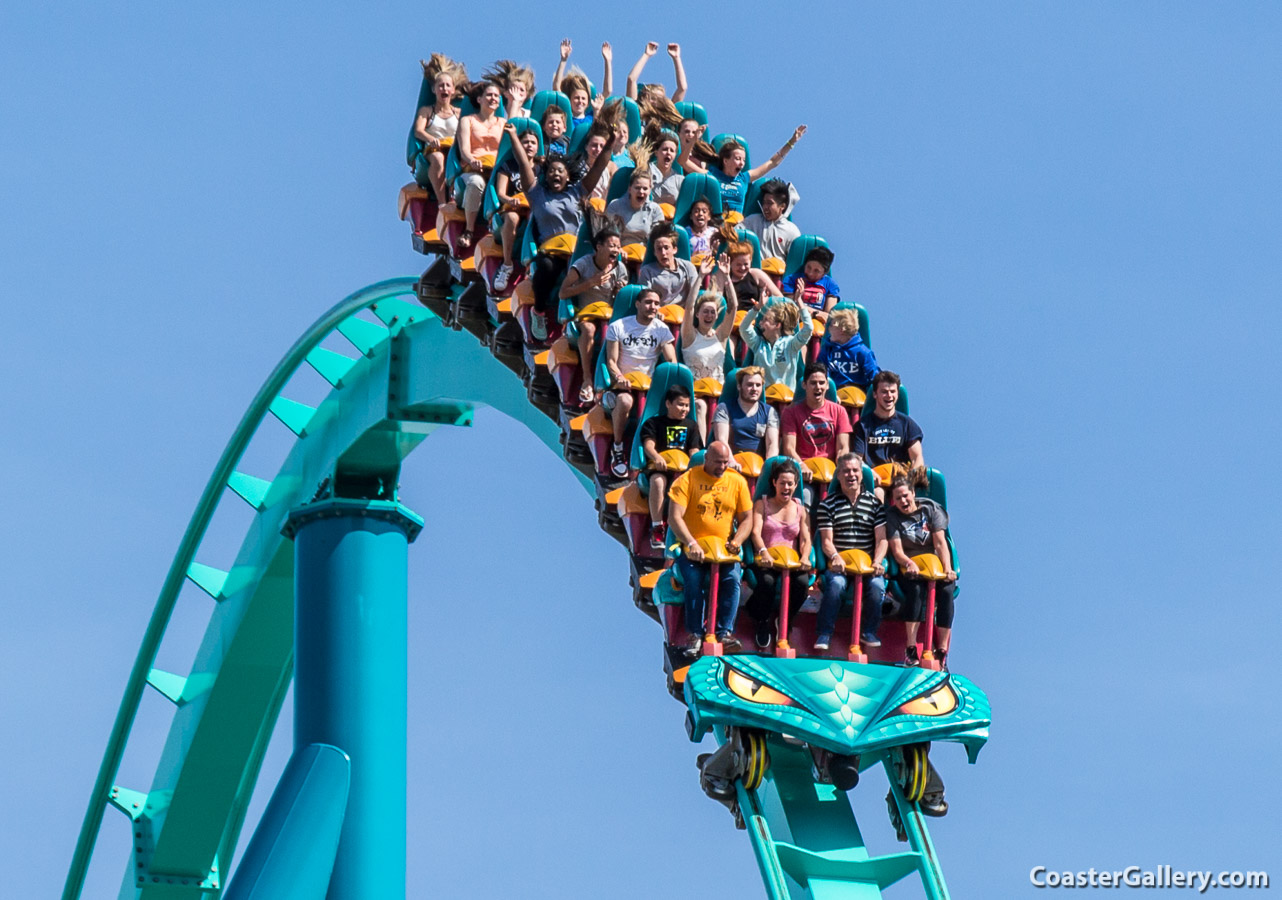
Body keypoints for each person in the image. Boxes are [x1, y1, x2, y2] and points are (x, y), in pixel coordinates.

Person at [511, 122, 617, 341]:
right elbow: (523, 164)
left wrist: (611, 143)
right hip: (552, 251)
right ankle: (538, 311)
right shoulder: (536, 193)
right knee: (548, 267)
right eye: (551, 171)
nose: (555, 174)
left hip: (577, 251)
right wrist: (513, 136)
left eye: (560, 171)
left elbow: (598, 167)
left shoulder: (578, 191)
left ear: (568, 176)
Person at [667, 441, 753, 653]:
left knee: (732, 579)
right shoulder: (686, 480)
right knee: (693, 580)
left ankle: (724, 633)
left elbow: (747, 518)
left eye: (725, 462)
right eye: (718, 462)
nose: (722, 467)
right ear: (706, 459)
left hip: (723, 549)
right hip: (693, 548)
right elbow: (674, 517)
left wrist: (737, 541)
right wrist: (691, 543)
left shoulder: (737, 481)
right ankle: (695, 633)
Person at [814, 453, 888, 652]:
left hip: (867, 564)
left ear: (862, 475)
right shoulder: (827, 505)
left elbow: (882, 539)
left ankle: (869, 631)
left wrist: (877, 561)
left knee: (877, 586)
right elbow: (826, 541)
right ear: (838, 475)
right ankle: (825, 632)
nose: (851, 475)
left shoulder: (875, 504)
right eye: (846, 471)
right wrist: (835, 557)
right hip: (840, 563)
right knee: (836, 584)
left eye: (855, 470)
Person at [603, 287, 678, 476]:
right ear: (637, 304)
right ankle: (618, 447)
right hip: (623, 385)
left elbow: (671, 360)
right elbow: (611, 361)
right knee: (625, 401)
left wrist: (670, 373)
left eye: (656, 304)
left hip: (649, 387)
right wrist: (619, 378)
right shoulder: (619, 326)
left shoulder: (661, 329)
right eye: (648, 302)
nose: (652, 307)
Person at [886, 471, 956, 667]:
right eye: (898, 498)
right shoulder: (892, 517)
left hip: (933, 563)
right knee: (915, 591)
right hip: (909, 565)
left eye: (905, 496)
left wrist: (947, 568)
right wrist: (909, 563)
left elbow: (941, 543)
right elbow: (897, 550)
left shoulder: (931, 509)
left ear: (913, 494)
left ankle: (941, 650)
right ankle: (910, 648)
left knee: (947, 590)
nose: (903, 501)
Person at [747, 459, 812, 649]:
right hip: (766, 559)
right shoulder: (762, 504)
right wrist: (763, 552)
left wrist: (805, 557)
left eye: (790, 483)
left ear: (796, 485)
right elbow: (755, 532)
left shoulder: (801, 509)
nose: (786, 487)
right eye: (782, 483)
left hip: (791, 562)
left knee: (802, 583)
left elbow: (806, 539)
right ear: (774, 482)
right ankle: (761, 620)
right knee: (766, 582)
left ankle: (786, 619)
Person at [558, 229, 628, 403]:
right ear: (599, 247)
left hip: (609, 316)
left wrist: (619, 292)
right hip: (586, 314)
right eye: (612, 246)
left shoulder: (620, 268)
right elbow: (563, 292)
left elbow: (622, 300)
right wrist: (590, 283)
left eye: (618, 247)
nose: (616, 250)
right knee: (589, 330)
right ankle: (587, 379)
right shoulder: (583, 264)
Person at [679, 127, 806, 214]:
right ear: (726, 160)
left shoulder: (744, 178)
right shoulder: (712, 176)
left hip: (736, 226)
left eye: (743, 160)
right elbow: (683, 161)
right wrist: (693, 140)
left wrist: (791, 142)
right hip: (715, 223)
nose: (742, 163)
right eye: (738, 159)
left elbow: (772, 162)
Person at [681, 253, 738, 438]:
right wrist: (700, 276)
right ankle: (703, 448)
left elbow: (733, 307)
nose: (709, 315)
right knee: (700, 406)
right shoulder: (690, 336)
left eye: (712, 312)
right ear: (698, 315)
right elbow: (689, 307)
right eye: (705, 311)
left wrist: (727, 277)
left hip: (719, 391)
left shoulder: (720, 336)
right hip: (696, 392)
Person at [640, 384, 703, 548]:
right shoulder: (654, 423)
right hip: (661, 468)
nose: (685, 409)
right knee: (658, 482)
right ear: (668, 404)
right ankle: (657, 526)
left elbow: (694, 450)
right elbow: (648, 446)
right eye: (680, 404)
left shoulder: (691, 426)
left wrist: (693, 465)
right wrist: (657, 457)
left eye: (687, 405)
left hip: (683, 469)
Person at [454, 81, 507, 255]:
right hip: (473, 169)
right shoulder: (467, 121)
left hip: (496, 171)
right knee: (477, 182)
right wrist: (472, 160)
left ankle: (501, 231)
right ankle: (469, 230)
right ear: (479, 99)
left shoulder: (503, 123)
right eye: (489, 95)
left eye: (496, 96)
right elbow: (464, 151)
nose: (493, 99)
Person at [491, 123, 542, 291]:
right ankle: (506, 265)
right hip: (512, 208)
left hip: (533, 209)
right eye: (525, 142)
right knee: (512, 218)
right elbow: (500, 193)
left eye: (533, 143)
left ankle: (533, 266)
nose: (529, 146)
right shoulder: (509, 166)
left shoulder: (542, 169)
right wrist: (510, 200)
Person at [413, 57, 464, 203]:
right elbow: (418, 130)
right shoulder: (427, 111)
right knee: (439, 158)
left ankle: (457, 198)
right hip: (434, 148)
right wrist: (431, 140)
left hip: (454, 148)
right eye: (441, 86)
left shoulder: (459, 113)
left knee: (460, 159)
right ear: (434, 90)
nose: (444, 89)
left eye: (448, 86)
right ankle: (443, 203)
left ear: (453, 90)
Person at [781, 364, 853, 465]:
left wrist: (839, 467)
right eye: (813, 383)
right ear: (804, 385)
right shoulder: (790, 413)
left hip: (830, 467)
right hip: (802, 467)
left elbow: (843, 447)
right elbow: (789, 448)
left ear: (827, 385)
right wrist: (801, 466)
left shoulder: (839, 411)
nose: (818, 387)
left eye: (822, 383)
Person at [853, 370, 925, 469]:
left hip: (900, 479)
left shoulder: (908, 424)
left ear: (898, 394)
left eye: (892, 391)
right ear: (875, 394)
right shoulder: (862, 425)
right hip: (874, 479)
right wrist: (870, 475)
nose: (889, 396)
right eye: (884, 392)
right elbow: (858, 459)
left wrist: (910, 480)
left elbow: (917, 458)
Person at [739, 298, 813, 390]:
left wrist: (800, 302)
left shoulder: (791, 344)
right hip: (763, 398)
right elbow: (743, 328)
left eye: (765, 320)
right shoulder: (758, 344)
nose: (760, 323)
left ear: (777, 325)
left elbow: (808, 328)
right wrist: (757, 308)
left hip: (785, 399)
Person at [712, 366, 780, 459]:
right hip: (731, 462)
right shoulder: (724, 409)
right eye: (749, 384)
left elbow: (772, 445)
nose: (754, 388)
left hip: (758, 464)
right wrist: (731, 461)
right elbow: (722, 440)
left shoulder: (770, 412)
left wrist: (768, 466)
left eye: (758, 385)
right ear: (739, 386)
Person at [553, 39, 613, 128]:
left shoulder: (591, 116)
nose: (580, 101)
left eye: (583, 98)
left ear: (588, 101)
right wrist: (563, 60)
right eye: (577, 98)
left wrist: (607, 61)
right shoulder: (566, 118)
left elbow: (607, 91)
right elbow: (556, 88)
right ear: (570, 100)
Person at [816, 307, 879, 391]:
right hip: (835, 394)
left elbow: (874, 377)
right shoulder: (827, 351)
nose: (828, 329)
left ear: (842, 330)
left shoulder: (863, 352)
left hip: (858, 394)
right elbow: (820, 373)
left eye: (831, 325)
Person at [637, 221, 699, 304]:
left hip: (684, 312)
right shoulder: (647, 271)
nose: (663, 253)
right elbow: (646, 300)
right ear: (654, 252)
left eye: (666, 248)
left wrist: (701, 274)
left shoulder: (688, 267)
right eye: (659, 249)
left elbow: (695, 294)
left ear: (674, 249)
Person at [742, 178, 801, 261]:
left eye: (769, 203)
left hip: (777, 271)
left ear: (782, 206)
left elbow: (795, 261)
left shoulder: (792, 231)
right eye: (764, 202)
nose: (765, 207)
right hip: (753, 270)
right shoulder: (752, 221)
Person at [605, 167, 665, 246]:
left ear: (650, 190)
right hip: (619, 251)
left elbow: (657, 239)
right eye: (637, 188)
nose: (641, 192)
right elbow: (606, 234)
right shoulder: (615, 206)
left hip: (644, 252)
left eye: (645, 188)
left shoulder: (655, 210)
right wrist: (617, 249)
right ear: (630, 189)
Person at [781, 246, 840, 320]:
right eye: (808, 267)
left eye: (816, 271)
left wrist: (808, 311)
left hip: (819, 325)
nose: (810, 273)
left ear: (824, 273)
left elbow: (828, 316)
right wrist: (816, 314)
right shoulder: (791, 280)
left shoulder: (831, 285)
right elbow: (789, 307)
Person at [727, 240, 783, 307]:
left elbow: (779, 297)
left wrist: (765, 303)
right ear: (730, 263)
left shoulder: (756, 274)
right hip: (731, 315)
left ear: (750, 261)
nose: (742, 268)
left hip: (754, 313)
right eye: (738, 264)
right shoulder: (724, 277)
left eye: (746, 264)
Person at [648, 131, 685, 206]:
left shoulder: (679, 180)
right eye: (665, 149)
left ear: (675, 155)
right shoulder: (646, 172)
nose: (668, 152)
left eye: (672, 151)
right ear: (656, 152)